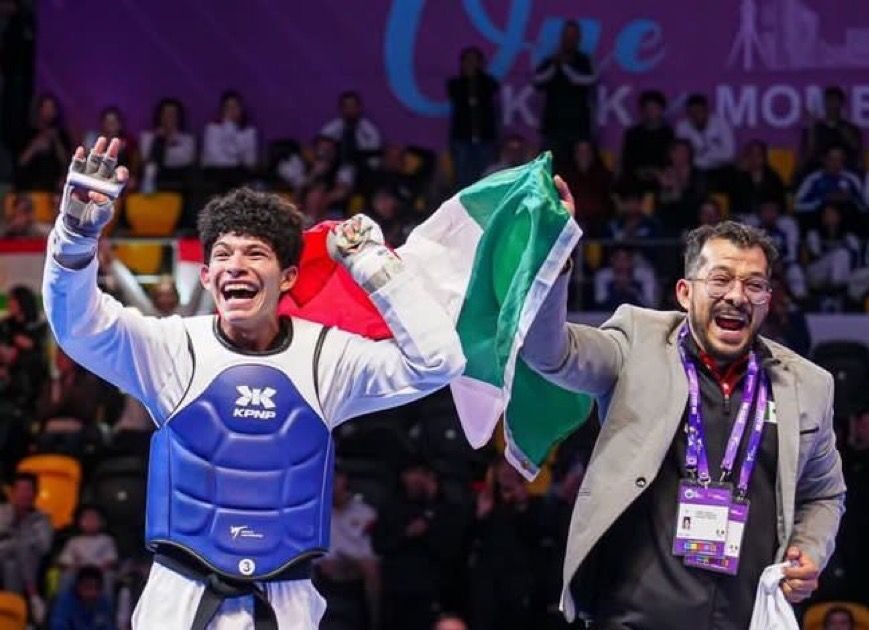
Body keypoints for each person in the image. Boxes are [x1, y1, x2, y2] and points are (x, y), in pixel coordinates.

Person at [43, 137, 465, 629]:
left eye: (254, 254)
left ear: (287, 277)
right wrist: (74, 235)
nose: (235, 266)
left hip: (286, 604)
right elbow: (77, 326)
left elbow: (438, 362)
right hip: (179, 601)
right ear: (205, 276)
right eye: (222, 255)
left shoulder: (328, 356)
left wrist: (375, 267)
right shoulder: (170, 347)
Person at [521, 187, 846, 629]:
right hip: (633, 618)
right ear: (684, 292)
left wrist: (809, 549)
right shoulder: (638, 341)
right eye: (720, 279)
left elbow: (825, 493)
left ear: (769, 299)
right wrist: (555, 254)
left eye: (754, 284)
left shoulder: (808, 385)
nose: (737, 295)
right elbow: (550, 353)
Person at [532, 20, 597, 171]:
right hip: (553, 127)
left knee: (578, 168)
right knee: (551, 168)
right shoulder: (550, 60)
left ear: (578, 39)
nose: (569, 39)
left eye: (573, 36)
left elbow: (589, 80)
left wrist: (565, 67)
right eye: (566, 35)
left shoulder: (585, 60)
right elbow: (537, 81)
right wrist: (555, 66)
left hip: (579, 126)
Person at [0, 472, 53, 620]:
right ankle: (33, 596)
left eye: (28, 490)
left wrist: (22, 535)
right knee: (14, 549)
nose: (24, 494)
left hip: (28, 561)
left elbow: (44, 546)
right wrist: (14, 520)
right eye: (21, 490)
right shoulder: (2, 512)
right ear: (12, 492)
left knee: (15, 559)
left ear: (35, 494)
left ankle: (14, 612)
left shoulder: (43, 518)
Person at [446, 46, 500, 189]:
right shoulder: (456, 84)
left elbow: (493, 88)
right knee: (464, 178)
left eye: (474, 61)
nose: (471, 64)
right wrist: (468, 80)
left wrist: (477, 78)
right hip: (462, 137)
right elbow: (457, 98)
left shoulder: (487, 83)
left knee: (485, 178)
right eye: (468, 60)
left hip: (484, 137)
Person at [49, 565, 115, 630]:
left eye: (97, 588)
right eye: (88, 587)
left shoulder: (103, 602)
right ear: (78, 586)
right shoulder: (65, 602)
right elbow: (58, 626)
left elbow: (108, 626)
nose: (92, 592)